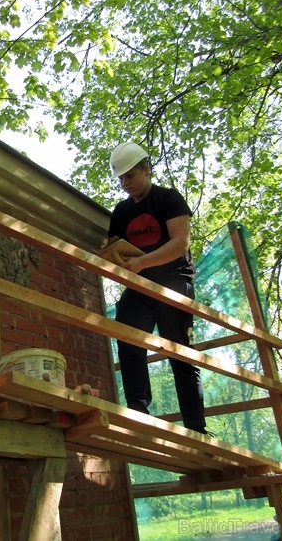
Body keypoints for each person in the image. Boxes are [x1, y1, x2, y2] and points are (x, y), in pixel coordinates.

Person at [106, 142, 207, 434]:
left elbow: (179, 244)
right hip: (140, 285)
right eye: (121, 178)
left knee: (180, 353)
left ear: (146, 170)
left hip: (174, 279)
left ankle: (195, 428)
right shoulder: (121, 212)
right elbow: (116, 250)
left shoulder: (168, 199)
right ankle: (138, 412)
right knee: (127, 338)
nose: (125, 183)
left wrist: (142, 263)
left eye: (130, 176)